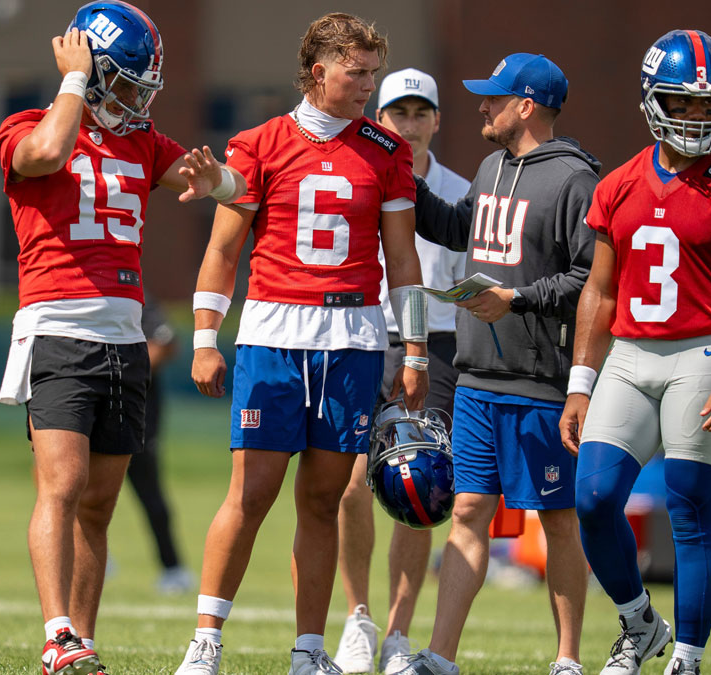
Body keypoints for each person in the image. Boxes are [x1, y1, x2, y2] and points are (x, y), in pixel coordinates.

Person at [0, 2, 246, 674]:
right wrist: (72, 83)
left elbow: (224, 189)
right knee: (64, 483)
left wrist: (216, 176)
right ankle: (57, 633)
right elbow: (45, 152)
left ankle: (83, 640)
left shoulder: (140, 142)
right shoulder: (28, 127)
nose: (136, 99)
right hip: (59, 329)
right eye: (127, 83)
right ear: (92, 69)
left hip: (126, 338)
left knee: (99, 504)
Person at [174, 13, 429, 675]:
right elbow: (222, 251)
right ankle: (206, 641)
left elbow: (403, 261)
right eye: (356, 72)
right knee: (252, 492)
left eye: (373, 72)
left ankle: (309, 649)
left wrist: (416, 348)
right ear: (318, 71)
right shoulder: (257, 144)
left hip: (353, 338)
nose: (367, 85)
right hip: (274, 334)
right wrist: (206, 338)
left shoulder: (388, 150)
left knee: (322, 499)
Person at [558, 30, 711, 675]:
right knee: (594, 498)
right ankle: (640, 624)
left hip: (706, 355)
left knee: (689, 506)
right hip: (633, 356)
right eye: (682, 103)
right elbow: (600, 293)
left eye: (708, 104)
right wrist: (581, 382)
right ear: (652, 100)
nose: (696, 116)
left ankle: (687, 656)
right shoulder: (620, 184)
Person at [394, 53, 598, 675]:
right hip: (477, 376)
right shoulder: (491, 165)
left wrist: (518, 299)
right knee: (467, 511)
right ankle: (440, 655)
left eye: (495, 97)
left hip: (540, 381)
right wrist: (403, 173)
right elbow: (460, 229)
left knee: (558, 521)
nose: (483, 106)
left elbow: (593, 280)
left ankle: (567, 660)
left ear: (527, 105)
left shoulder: (574, 180)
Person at [331, 68, 471, 675]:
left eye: (420, 113)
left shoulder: (464, 192)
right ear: (377, 119)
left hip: (437, 344)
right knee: (348, 481)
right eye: (397, 113)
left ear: (437, 120)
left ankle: (397, 633)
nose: (409, 125)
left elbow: (473, 285)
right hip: (365, 334)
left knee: (417, 483)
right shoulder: (359, 177)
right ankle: (358, 618)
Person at [124, 294, 194, 594]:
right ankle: (84, 556)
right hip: (92, 408)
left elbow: (167, 344)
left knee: (150, 494)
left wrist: (119, 372)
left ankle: (173, 568)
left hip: (138, 415)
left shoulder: (138, 301)